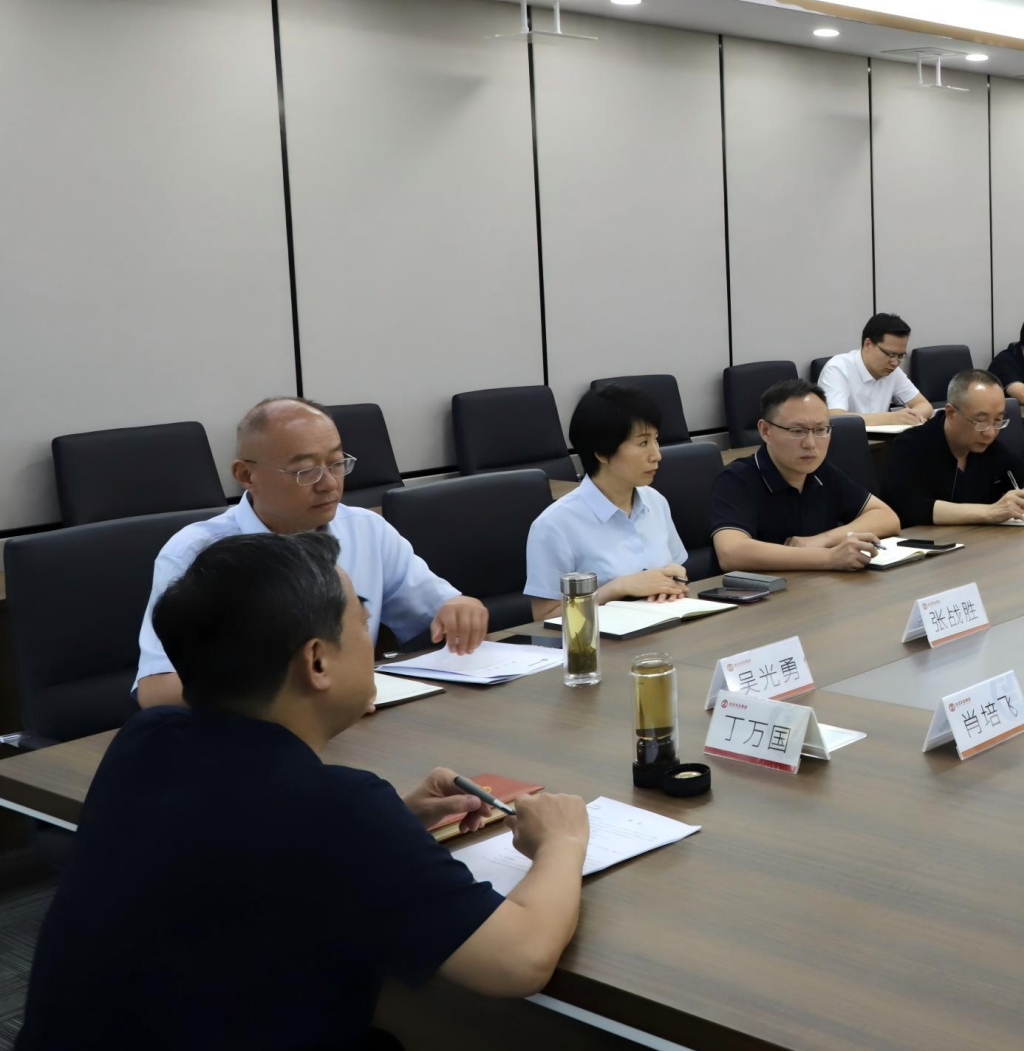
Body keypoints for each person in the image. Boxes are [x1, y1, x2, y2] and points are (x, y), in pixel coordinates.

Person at [21, 532, 590, 1049]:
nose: (371, 639)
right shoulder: (339, 808)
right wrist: (562, 841)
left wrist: (397, 823)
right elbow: (518, 961)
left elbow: (245, 849)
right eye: (362, 624)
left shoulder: (147, 738)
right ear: (317, 661)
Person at [135, 398, 488, 710]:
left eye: (336, 463)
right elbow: (157, 690)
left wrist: (459, 607)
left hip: (355, 726)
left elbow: (437, 609)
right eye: (306, 471)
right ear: (246, 475)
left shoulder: (366, 529)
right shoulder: (196, 553)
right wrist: (301, 698)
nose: (329, 484)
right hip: (248, 739)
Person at [524, 385, 690, 621]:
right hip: (603, 640)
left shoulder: (656, 501)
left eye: (656, 440)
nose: (657, 455)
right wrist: (616, 588)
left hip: (664, 627)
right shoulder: (555, 524)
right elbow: (545, 617)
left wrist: (676, 579)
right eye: (643, 443)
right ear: (602, 452)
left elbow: (674, 570)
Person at [707, 380, 901, 573]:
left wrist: (823, 540)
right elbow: (731, 553)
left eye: (820, 430)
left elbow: (887, 517)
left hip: (815, 586)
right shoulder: (737, 478)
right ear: (765, 431)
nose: (810, 443)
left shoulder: (820, 471)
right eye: (797, 431)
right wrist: (829, 558)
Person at [881, 370, 1024, 526]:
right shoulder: (912, 445)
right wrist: (989, 512)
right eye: (981, 421)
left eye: (998, 420)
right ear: (951, 413)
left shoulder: (990, 447)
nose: (990, 432)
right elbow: (907, 506)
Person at [819, 312, 933, 426]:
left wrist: (911, 416)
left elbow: (924, 405)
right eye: (890, 354)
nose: (895, 363)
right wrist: (890, 418)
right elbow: (835, 416)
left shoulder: (893, 372)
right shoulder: (837, 369)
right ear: (868, 344)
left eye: (900, 356)